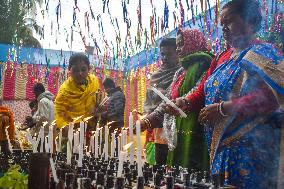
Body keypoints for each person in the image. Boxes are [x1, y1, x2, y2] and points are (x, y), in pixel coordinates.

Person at [169, 0, 283, 187]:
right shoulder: (222, 57)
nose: (224, 28)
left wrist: (225, 108)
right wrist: (185, 102)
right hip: (220, 149)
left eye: (228, 22)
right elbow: (203, 89)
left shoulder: (266, 53)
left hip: (253, 148)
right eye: (221, 24)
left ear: (250, 21)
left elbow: (272, 98)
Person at [141, 29, 214, 170]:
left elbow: (199, 91)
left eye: (181, 45)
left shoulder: (205, 64)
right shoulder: (181, 72)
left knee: (194, 175)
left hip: (197, 129)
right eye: (178, 45)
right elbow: (167, 100)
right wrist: (148, 120)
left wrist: (183, 102)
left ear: (193, 43)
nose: (179, 49)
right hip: (177, 131)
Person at [143, 38, 180, 165]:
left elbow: (176, 98)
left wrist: (166, 95)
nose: (164, 57)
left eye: (169, 54)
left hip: (176, 127)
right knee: (158, 163)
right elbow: (148, 100)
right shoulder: (155, 75)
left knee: (173, 165)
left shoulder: (181, 73)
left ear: (178, 53)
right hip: (156, 127)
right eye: (162, 54)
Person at [55, 53, 100, 129]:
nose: (80, 73)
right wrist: (64, 126)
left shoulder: (94, 81)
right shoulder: (64, 90)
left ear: (88, 69)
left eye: (83, 69)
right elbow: (59, 113)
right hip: (73, 130)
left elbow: (97, 102)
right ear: (69, 70)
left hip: (92, 127)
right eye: (76, 70)